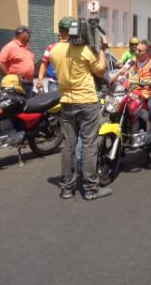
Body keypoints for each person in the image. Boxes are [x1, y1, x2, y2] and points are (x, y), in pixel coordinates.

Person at [48, 30, 111, 201]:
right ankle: (91, 189)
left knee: (68, 145)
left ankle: (67, 188)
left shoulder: (54, 50)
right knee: (89, 145)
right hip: (87, 102)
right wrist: (103, 50)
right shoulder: (85, 51)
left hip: (66, 102)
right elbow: (100, 71)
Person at [117, 40, 151, 169]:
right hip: (131, 94)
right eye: (136, 49)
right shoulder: (131, 61)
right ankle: (119, 147)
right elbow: (122, 72)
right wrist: (117, 78)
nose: (136, 52)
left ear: (148, 53)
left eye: (140, 50)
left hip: (149, 95)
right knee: (115, 113)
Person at [36, 17, 74, 93]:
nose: (60, 35)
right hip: (54, 83)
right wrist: (40, 79)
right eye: (60, 32)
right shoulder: (50, 48)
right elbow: (44, 63)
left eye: (63, 32)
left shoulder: (74, 48)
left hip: (71, 84)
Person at [0, 25, 35, 96]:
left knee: (27, 106)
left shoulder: (27, 48)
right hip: (15, 85)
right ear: (22, 33)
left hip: (29, 84)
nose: (30, 36)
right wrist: (9, 77)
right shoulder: (10, 46)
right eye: (28, 33)